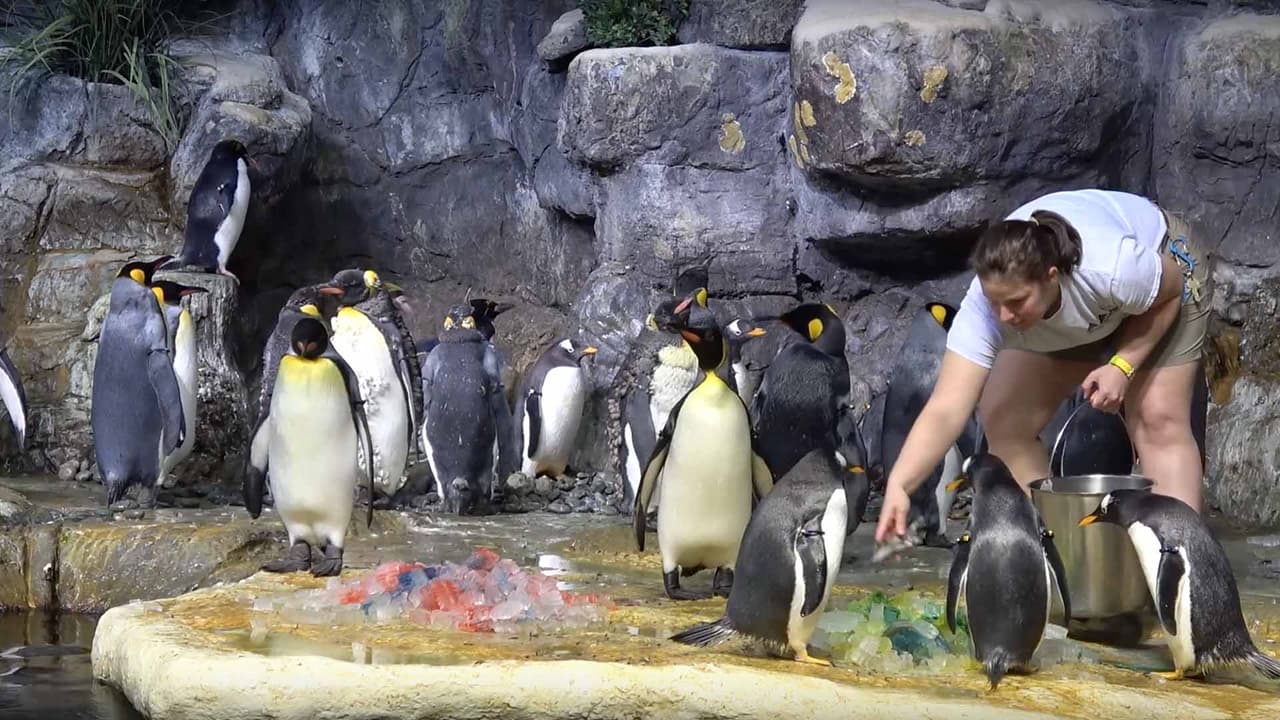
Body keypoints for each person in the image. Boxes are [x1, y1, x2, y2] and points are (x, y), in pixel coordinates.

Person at [875, 189, 1212, 544]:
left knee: (1157, 418)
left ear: (1052, 277)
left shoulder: (1111, 267)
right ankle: (1058, 553)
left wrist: (1123, 365)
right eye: (995, 302)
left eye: (1016, 302)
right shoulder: (985, 311)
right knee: (1005, 418)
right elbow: (946, 409)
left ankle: (1179, 560)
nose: (1004, 316)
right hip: (1087, 316)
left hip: (1162, 282)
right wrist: (901, 484)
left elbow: (1171, 291)